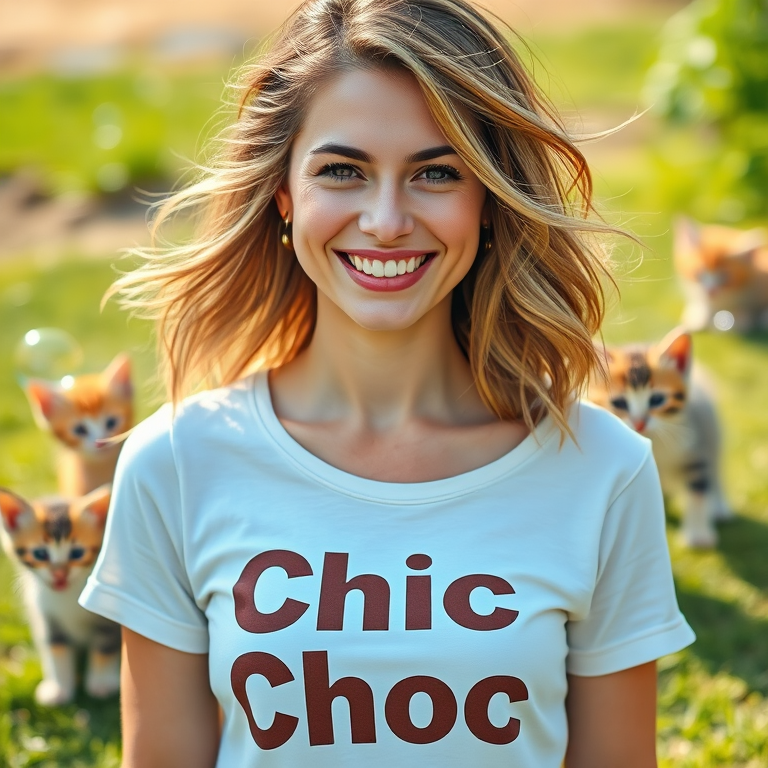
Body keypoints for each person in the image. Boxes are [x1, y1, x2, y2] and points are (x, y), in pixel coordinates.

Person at [79, 0, 695, 766]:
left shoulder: (602, 469)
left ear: (492, 200)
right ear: (283, 193)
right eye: (343, 171)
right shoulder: (175, 464)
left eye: (436, 173)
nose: (386, 220)